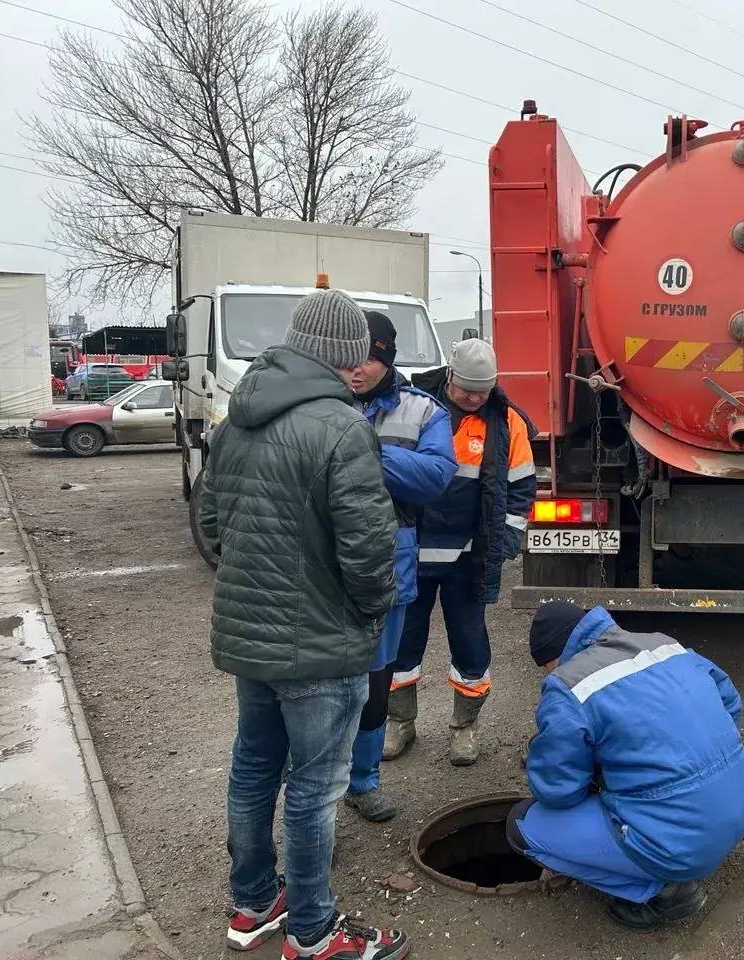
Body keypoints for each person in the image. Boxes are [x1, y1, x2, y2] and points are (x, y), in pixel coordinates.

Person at [201, 288, 409, 960]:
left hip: (250, 638)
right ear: (347, 356)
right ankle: (314, 934)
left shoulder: (236, 420)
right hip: (322, 646)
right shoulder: (342, 428)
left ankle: (254, 903)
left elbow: (211, 525)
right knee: (316, 790)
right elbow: (370, 550)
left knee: (254, 769)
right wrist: (370, 611)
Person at [506, 601, 744, 931]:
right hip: (740, 809)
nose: (548, 673)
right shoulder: (661, 644)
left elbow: (558, 792)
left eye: (546, 666)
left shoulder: (568, 686)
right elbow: (729, 703)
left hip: (679, 846)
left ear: (554, 657)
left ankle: (662, 890)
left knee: (522, 827)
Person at [383, 338, 537, 766]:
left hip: (468, 557)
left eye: (482, 392)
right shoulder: (414, 408)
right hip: (410, 552)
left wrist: (504, 542)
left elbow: (522, 486)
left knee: (470, 643)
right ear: (449, 376)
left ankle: (465, 727)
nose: (473, 399)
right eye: (466, 389)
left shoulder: (507, 423)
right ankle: (400, 723)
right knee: (401, 642)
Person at [344, 311, 456, 822]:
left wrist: (363, 454)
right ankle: (320, 790)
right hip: (325, 571)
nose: (358, 369)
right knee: (322, 688)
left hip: (390, 569)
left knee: (374, 684)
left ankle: (364, 782)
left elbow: (436, 476)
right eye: (352, 356)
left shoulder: (422, 412)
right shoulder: (318, 404)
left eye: (371, 357)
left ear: (387, 359)